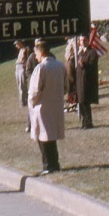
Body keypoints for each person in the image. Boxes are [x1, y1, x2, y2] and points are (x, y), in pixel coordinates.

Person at [29, 38, 66, 175]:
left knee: (43, 137)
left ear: (41, 52)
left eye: (36, 53)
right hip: (56, 104)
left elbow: (34, 91)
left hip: (42, 106)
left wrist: (32, 103)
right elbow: (66, 85)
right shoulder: (60, 65)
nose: (35, 56)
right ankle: (54, 163)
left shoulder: (41, 68)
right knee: (52, 136)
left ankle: (48, 165)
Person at [74, 34, 100, 129]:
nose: (82, 42)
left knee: (85, 102)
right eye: (80, 40)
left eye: (84, 40)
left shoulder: (92, 52)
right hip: (80, 80)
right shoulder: (81, 53)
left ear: (88, 41)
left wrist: (84, 64)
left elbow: (92, 65)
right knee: (81, 102)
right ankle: (84, 122)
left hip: (87, 81)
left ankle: (88, 122)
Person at [14, 39, 36, 132]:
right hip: (18, 67)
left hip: (22, 67)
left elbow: (27, 59)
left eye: (17, 44)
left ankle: (24, 100)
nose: (16, 46)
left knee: (23, 85)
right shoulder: (20, 50)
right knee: (19, 85)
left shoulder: (27, 49)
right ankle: (22, 100)